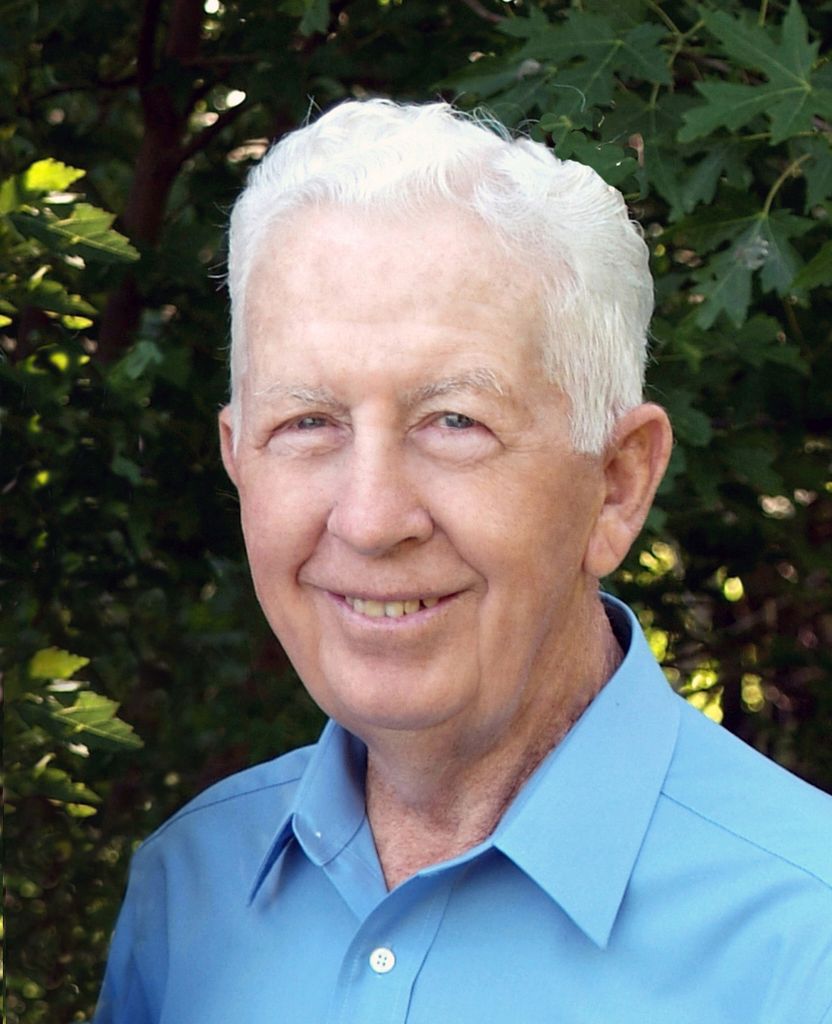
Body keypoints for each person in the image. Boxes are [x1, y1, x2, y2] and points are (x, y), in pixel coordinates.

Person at [94, 99, 832, 1024]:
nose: (371, 521)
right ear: (237, 457)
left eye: (455, 422)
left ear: (616, 485)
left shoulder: (806, 937)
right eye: (308, 422)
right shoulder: (188, 892)